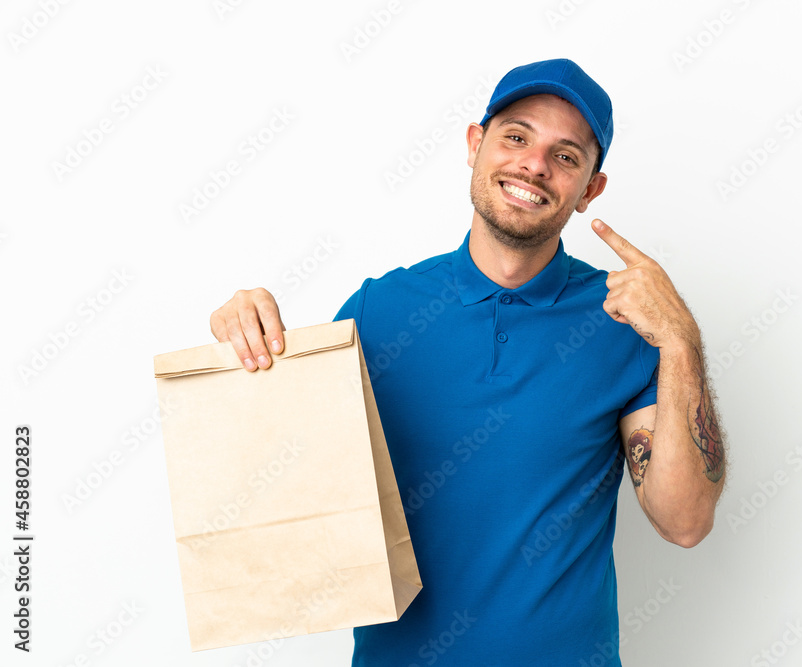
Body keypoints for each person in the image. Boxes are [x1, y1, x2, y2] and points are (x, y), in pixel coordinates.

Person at [210, 58, 726, 666]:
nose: (534, 165)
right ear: (475, 145)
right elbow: (290, 491)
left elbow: (684, 521)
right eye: (516, 137)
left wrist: (681, 340)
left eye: (565, 156)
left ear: (590, 189)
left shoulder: (624, 322)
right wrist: (244, 347)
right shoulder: (377, 311)